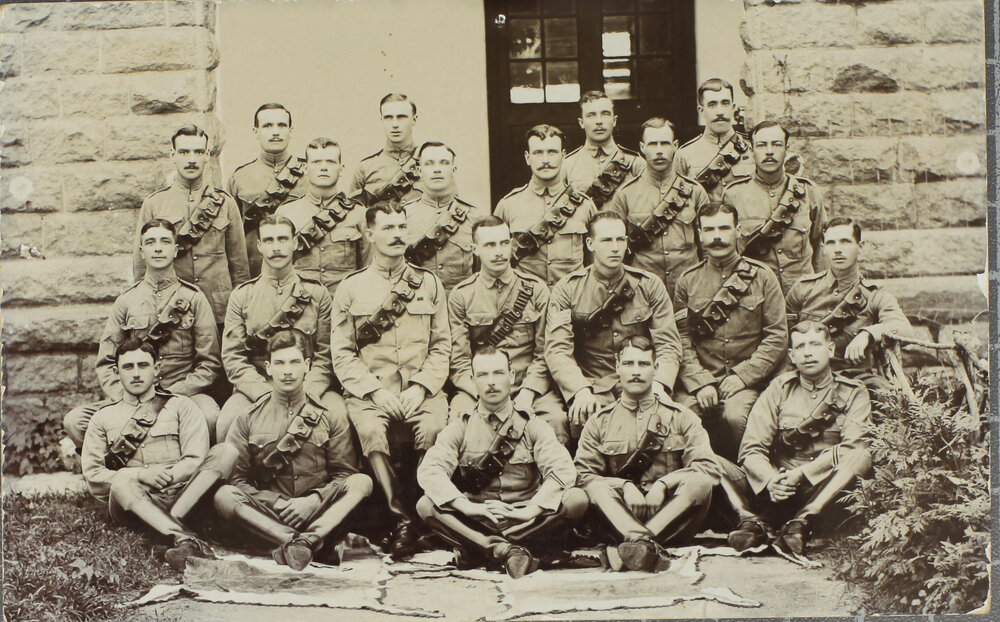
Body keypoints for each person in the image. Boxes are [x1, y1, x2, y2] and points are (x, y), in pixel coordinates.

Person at [331, 202, 451, 558]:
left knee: (433, 430)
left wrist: (421, 387)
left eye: (402, 227)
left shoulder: (428, 283)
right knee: (370, 430)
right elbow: (342, 353)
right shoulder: (350, 288)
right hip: (371, 392)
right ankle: (403, 521)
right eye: (388, 228)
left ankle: (424, 515)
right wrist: (375, 391)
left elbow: (442, 345)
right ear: (370, 234)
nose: (398, 235)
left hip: (421, 390)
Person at [416, 346, 587, 578]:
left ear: (512, 376)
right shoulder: (461, 426)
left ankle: (484, 549)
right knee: (425, 505)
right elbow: (430, 471)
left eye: (498, 373)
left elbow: (563, 470)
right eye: (483, 375)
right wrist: (468, 507)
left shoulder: (532, 425)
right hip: (478, 521)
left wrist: (529, 511)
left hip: (527, 522)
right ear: (473, 380)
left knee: (576, 499)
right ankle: (503, 549)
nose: (491, 382)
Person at [212, 330, 373, 570]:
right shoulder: (247, 418)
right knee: (223, 495)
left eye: (295, 362)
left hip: (318, 513)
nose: (287, 370)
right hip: (268, 515)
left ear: (307, 365)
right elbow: (237, 480)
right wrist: (276, 503)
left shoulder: (330, 415)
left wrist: (312, 501)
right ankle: (298, 542)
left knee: (362, 482)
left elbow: (343, 475)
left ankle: (308, 539)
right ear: (268, 368)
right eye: (279, 363)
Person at [65, 219, 222, 448]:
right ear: (142, 251)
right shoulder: (126, 301)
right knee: (75, 421)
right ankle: (120, 472)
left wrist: (173, 394)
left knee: (210, 417)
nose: (158, 247)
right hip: (133, 392)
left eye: (165, 241)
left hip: (182, 392)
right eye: (150, 242)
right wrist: (126, 396)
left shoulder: (194, 299)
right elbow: (106, 362)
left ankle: (190, 475)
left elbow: (209, 364)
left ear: (175, 249)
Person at [721, 321, 872, 556]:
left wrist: (803, 473)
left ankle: (803, 521)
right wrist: (772, 480)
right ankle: (754, 522)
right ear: (792, 355)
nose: (808, 352)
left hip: (823, 492)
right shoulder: (778, 389)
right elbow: (751, 448)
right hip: (778, 492)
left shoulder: (854, 392)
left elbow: (853, 447)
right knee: (711, 464)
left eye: (815, 344)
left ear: (830, 349)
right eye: (800, 347)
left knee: (861, 456)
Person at [574, 337, 719, 571]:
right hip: (619, 518)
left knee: (700, 481)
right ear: (617, 366)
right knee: (596, 488)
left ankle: (638, 542)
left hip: (672, 517)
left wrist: (663, 484)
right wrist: (625, 486)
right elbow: (583, 476)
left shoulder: (681, 416)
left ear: (656, 368)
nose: (635, 372)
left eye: (643, 364)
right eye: (629, 364)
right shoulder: (599, 422)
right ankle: (643, 542)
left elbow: (708, 468)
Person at [81, 338, 214, 571]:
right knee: (122, 482)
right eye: (128, 367)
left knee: (224, 452)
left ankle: (169, 534)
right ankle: (185, 538)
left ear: (157, 368)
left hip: (180, 496)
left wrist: (165, 478)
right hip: (133, 504)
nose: (136, 374)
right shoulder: (102, 418)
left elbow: (195, 460)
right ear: (116, 371)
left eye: (143, 365)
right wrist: (141, 475)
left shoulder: (181, 406)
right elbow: (94, 475)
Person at [545, 212, 682, 433]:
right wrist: (580, 390)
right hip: (594, 384)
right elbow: (557, 351)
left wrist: (659, 384)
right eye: (607, 240)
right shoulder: (567, 289)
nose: (615, 247)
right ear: (590, 244)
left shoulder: (649, 285)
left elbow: (668, 344)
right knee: (585, 422)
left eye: (621, 239)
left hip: (642, 381)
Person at [673, 203, 787, 461]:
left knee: (736, 418)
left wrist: (743, 377)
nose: (717, 236)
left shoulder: (762, 277)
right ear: (699, 234)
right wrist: (700, 382)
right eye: (709, 229)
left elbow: (777, 336)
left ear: (738, 231)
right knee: (681, 416)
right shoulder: (687, 281)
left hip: (746, 383)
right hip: (701, 381)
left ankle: (743, 483)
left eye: (724, 228)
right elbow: (681, 339)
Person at [218, 216, 340, 442]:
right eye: (269, 240)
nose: (276, 248)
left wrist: (308, 391)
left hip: (307, 384)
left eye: (283, 239)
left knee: (339, 415)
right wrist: (263, 393)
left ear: (295, 243)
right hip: (258, 386)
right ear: (259, 246)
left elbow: (326, 354)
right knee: (227, 421)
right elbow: (233, 357)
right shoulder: (242, 295)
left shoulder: (317, 294)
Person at [448, 217, 568, 443]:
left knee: (556, 420)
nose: (499, 252)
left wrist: (528, 393)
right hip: (480, 387)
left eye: (504, 243)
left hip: (527, 385)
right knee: (457, 421)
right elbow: (459, 361)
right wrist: (482, 393)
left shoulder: (536, 290)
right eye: (489, 245)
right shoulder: (461, 296)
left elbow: (545, 353)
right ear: (475, 249)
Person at [134, 124, 250, 324]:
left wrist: (242, 312)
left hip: (218, 309)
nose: (191, 159)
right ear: (173, 155)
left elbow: (239, 266)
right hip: (171, 308)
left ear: (207, 155)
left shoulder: (225, 203)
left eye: (198, 152)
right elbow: (140, 265)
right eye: (184, 152)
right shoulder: (154, 204)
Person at [785, 217, 913, 388]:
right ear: (823, 248)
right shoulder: (803, 289)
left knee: (887, 400)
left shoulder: (875, 295)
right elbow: (782, 335)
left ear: (860, 246)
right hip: (808, 379)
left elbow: (904, 329)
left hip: (856, 380)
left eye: (845, 242)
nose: (837, 250)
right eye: (831, 243)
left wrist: (867, 334)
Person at [609, 117, 710, 300]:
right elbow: (614, 249)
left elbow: (707, 247)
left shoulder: (694, 192)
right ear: (642, 148)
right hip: (643, 292)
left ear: (675, 146)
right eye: (652, 144)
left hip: (689, 290)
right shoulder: (625, 194)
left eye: (664, 143)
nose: (659, 151)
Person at [722, 120, 827, 293]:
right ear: (752, 148)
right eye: (762, 145)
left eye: (776, 144)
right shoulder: (734, 195)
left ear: (786, 149)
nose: (769, 152)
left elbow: (821, 248)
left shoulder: (808, 192)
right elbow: (728, 254)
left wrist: (823, 294)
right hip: (756, 297)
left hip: (803, 295)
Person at [494, 124, 598, 288]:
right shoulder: (508, 205)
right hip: (524, 303)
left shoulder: (585, 205)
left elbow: (594, 262)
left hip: (572, 302)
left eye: (552, 152)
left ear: (563, 155)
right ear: (527, 158)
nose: (545, 160)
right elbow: (494, 261)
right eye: (538, 153)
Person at [275, 137, 368, 296]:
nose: (324, 168)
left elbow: (368, 267)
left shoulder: (358, 214)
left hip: (343, 303)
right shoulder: (285, 213)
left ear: (341, 169)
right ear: (305, 168)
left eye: (330, 162)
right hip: (298, 306)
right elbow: (275, 268)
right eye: (317, 162)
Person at [229, 103, 307, 277]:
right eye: (267, 126)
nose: (275, 132)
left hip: (302, 272)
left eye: (282, 125)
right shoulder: (240, 178)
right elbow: (233, 238)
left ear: (291, 130)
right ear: (256, 131)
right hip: (256, 272)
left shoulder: (309, 174)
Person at [401, 141, 487, 291]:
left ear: (453, 169)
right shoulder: (403, 215)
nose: (437, 169)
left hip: (461, 307)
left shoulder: (475, 217)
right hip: (418, 306)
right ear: (420, 171)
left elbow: (482, 271)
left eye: (444, 163)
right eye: (429, 164)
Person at [563, 91, 645, 207]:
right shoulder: (567, 165)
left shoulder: (636, 164)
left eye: (605, 114)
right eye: (591, 115)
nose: (599, 121)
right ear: (581, 123)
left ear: (614, 120)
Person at [675, 78, 753, 201]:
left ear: (733, 107)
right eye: (712, 105)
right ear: (701, 110)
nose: (720, 112)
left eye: (725, 103)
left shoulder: (752, 148)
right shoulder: (684, 155)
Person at [350, 93, 422, 207]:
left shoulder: (430, 162)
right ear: (381, 120)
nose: (395, 124)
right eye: (388, 118)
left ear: (414, 119)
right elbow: (354, 218)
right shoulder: (365, 168)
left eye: (401, 117)